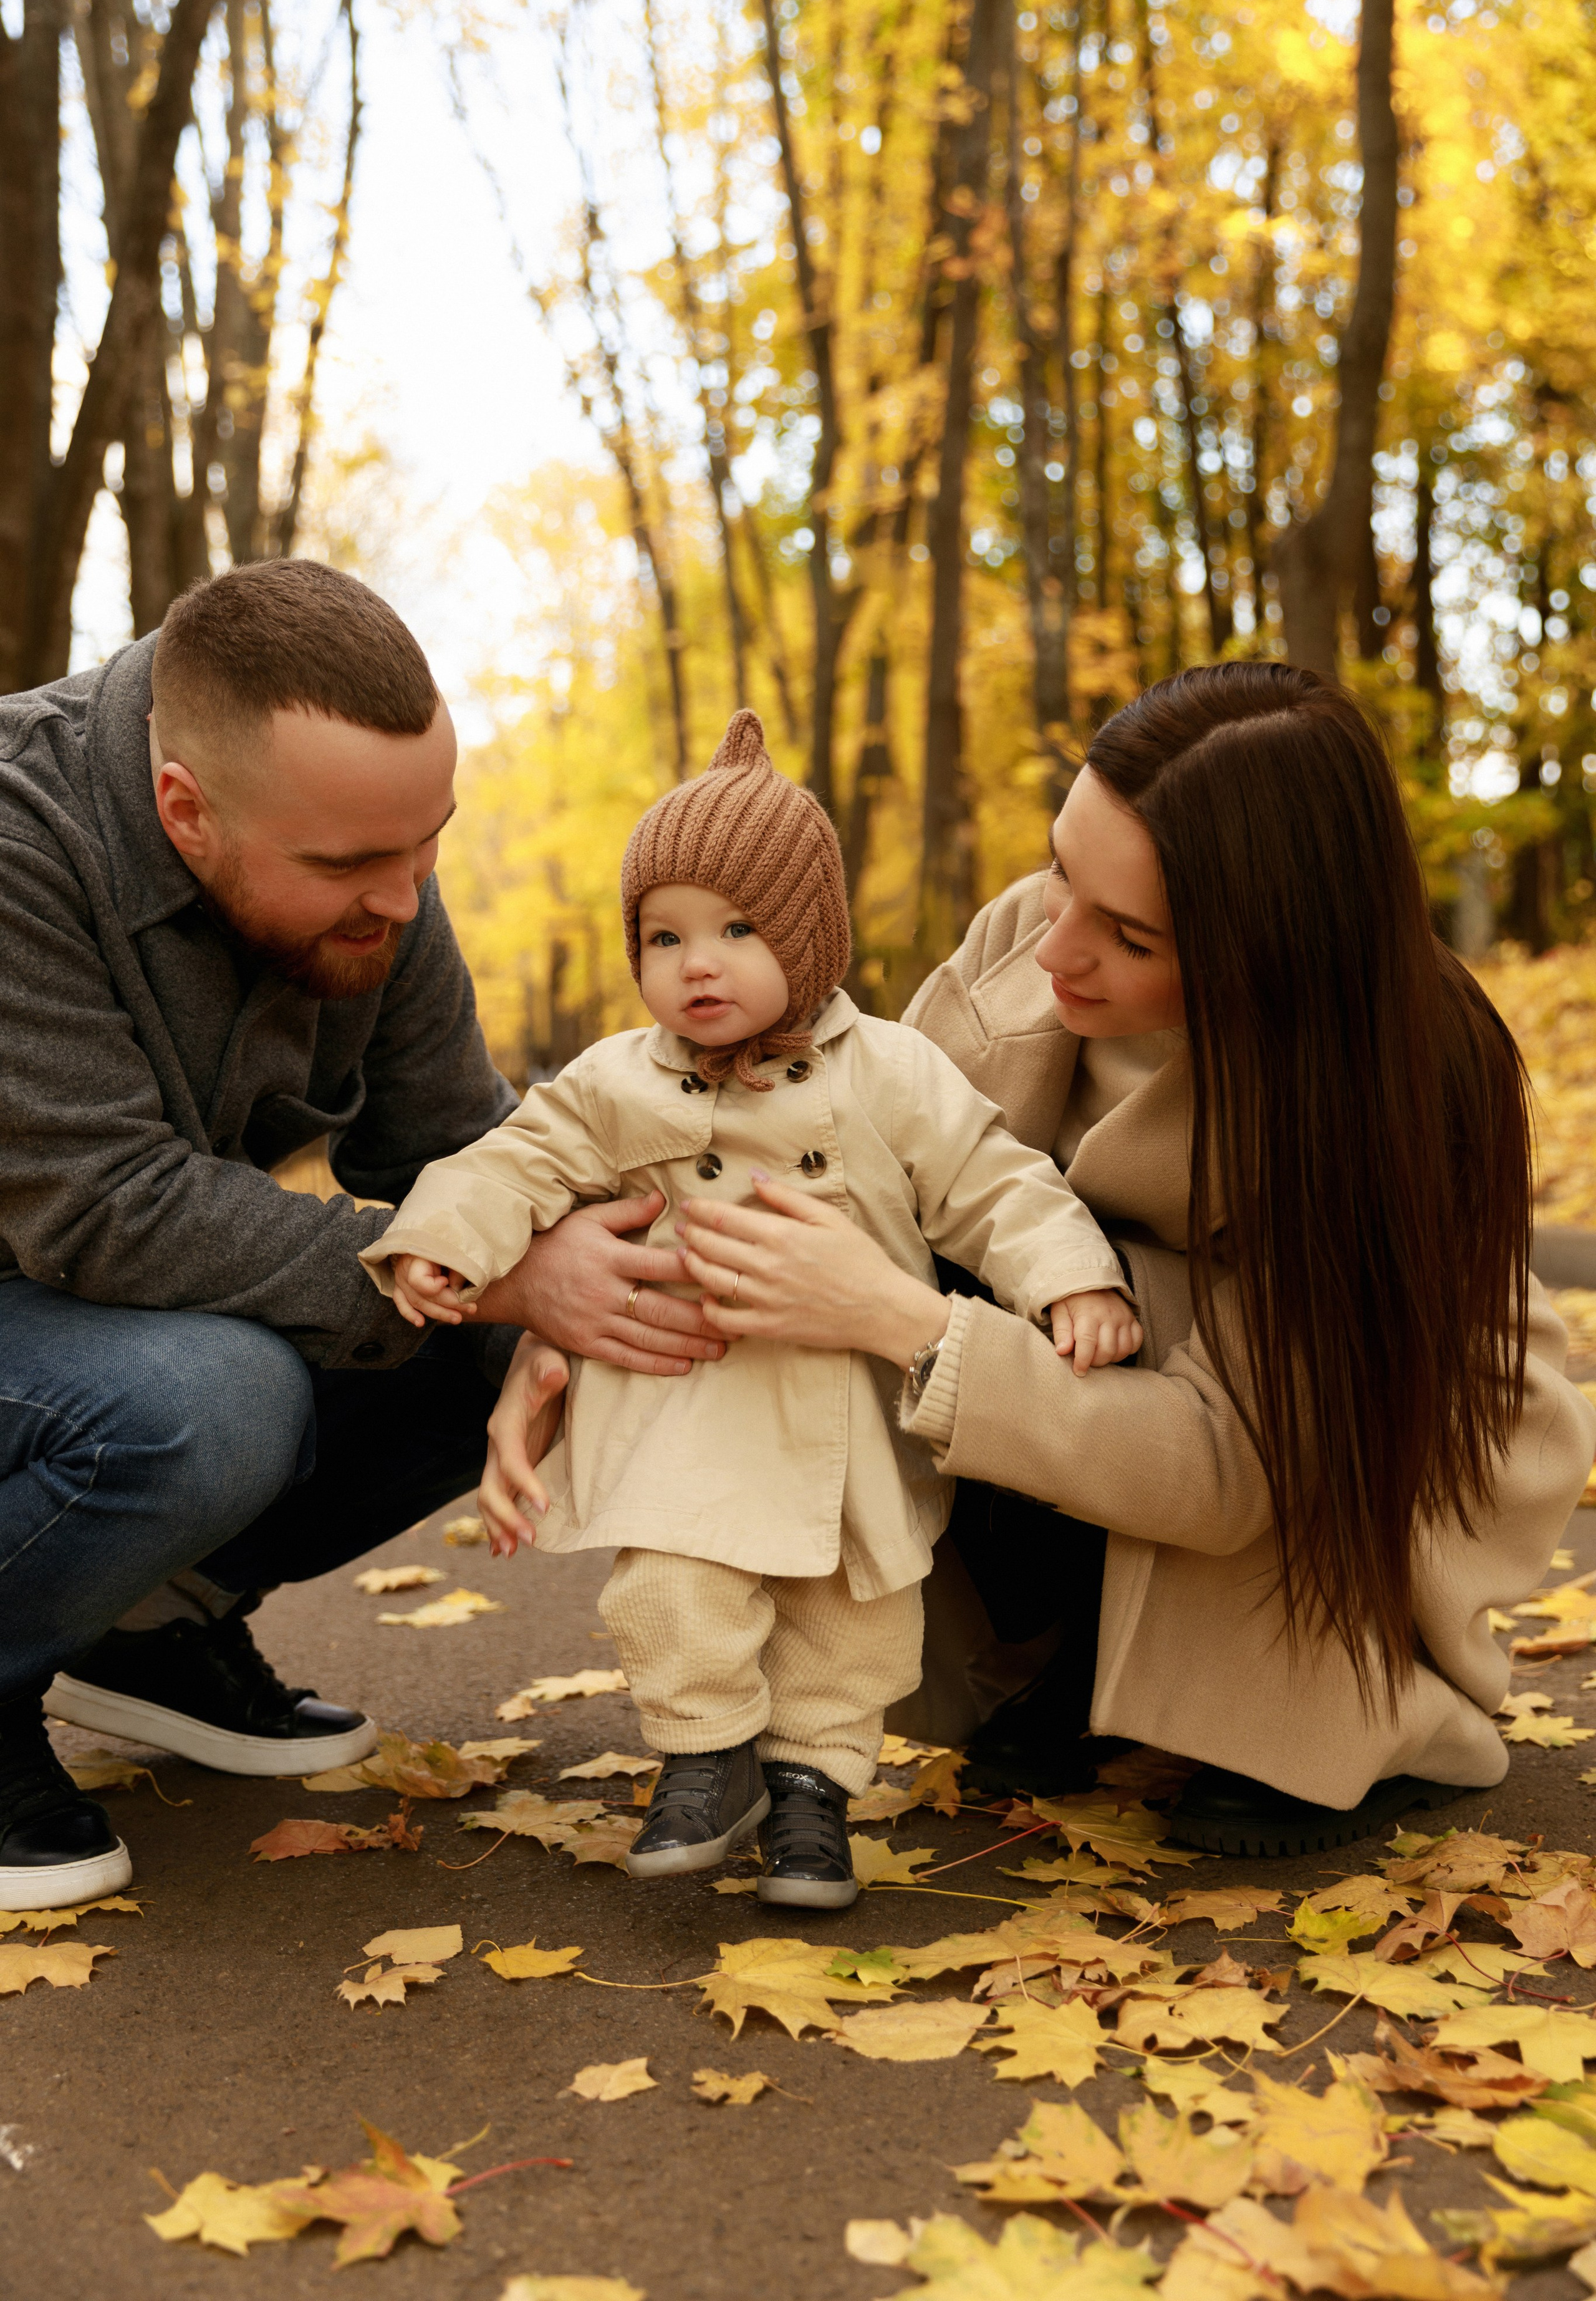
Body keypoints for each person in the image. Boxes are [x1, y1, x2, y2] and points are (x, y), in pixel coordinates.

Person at [497, 663, 1596, 1861]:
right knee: (945, 1263)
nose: (1055, 947)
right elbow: (807, 1165)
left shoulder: (1395, 1088)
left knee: (969, 1295)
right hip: (1110, 1382)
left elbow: (1238, 1467)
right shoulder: (1034, 931)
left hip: (1334, 1459)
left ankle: (1331, 1691)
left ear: (1265, 955)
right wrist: (567, 1327)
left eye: (1127, 935)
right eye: (1066, 871)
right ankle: (1060, 1664)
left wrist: (903, 1318)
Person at [0, 559, 716, 1911]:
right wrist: (503, 1270)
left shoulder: (371, 860)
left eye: (426, 841)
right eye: (348, 866)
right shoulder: (20, 839)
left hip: (79, 1308)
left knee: (512, 1325)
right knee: (215, 1401)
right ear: (183, 809)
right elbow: (105, 1207)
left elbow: (458, 1152)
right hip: (39, 1288)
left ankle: (154, 1622)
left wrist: (616, 1249)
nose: (402, 895)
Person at [359, 711, 1140, 1908]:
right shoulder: (621, 1077)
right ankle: (701, 1753)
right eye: (664, 936)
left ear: (810, 937)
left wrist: (1070, 1277)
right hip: (685, 1401)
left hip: (847, 1415)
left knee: (852, 1621)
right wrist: (444, 1245)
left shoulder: (887, 1071)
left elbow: (994, 1183)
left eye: (737, 929)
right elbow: (511, 1161)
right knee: (669, 1585)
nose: (698, 964)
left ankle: (816, 1797)